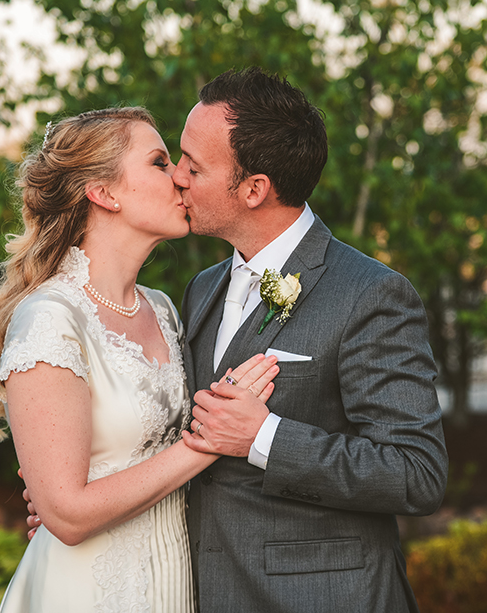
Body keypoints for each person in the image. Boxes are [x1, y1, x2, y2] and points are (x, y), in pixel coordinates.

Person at [0, 106, 279, 612]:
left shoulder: (163, 309)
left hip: (173, 579)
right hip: (88, 588)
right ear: (104, 192)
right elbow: (67, 515)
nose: (180, 176)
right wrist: (213, 440)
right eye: (159, 162)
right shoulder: (51, 316)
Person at [173, 68, 448, 612]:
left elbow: (417, 473)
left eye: (193, 165)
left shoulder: (371, 294)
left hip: (323, 596)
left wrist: (263, 437)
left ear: (254, 189)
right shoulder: (202, 289)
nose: (176, 177)